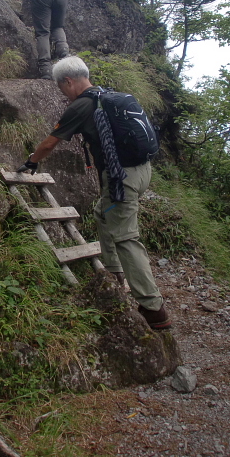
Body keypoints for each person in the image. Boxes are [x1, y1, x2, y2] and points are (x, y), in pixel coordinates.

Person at [17, 56, 171, 330]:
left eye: (61, 88)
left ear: (68, 81)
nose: (63, 94)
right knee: (103, 212)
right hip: (142, 170)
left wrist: (31, 162)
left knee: (126, 237)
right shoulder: (109, 96)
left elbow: (50, 143)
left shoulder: (82, 106)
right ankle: (113, 273)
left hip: (120, 178)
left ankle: (153, 309)